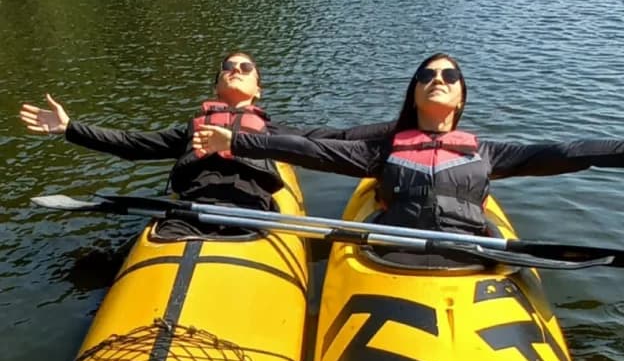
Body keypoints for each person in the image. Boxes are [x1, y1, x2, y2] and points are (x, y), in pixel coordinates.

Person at [193, 51, 624, 247]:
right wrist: (238, 141)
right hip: (393, 250)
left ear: (461, 98)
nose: (438, 79)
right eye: (427, 75)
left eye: (449, 76)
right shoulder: (382, 152)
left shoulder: (486, 154)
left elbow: (565, 152)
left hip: (470, 253)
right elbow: (310, 151)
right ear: (414, 93)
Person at [19, 50, 387, 240]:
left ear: (258, 90)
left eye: (245, 68)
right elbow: (132, 145)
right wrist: (70, 128)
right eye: (229, 66)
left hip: (250, 212)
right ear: (216, 87)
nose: (236, 69)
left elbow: (337, 139)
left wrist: (404, 127)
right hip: (191, 212)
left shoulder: (273, 132)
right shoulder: (192, 129)